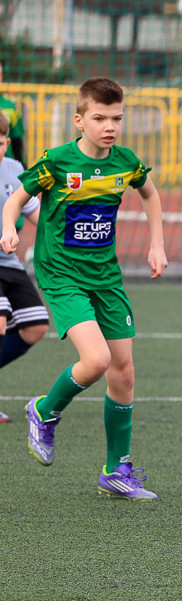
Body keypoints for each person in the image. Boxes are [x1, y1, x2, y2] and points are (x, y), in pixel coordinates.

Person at [0, 77, 168, 500]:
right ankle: (43, 410)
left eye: (117, 118)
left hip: (105, 277)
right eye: (99, 118)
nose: (109, 125)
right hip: (62, 275)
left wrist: (157, 243)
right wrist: (8, 229)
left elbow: (150, 194)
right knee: (96, 360)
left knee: (124, 371)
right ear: (80, 120)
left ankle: (116, 469)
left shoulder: (126, 162)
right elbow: (16, 199)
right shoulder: (56, 161)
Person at [0, 112, 49, 423]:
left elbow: (35, 214)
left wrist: (66, 225)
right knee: (0, 318)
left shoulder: (14, 168)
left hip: (8, 261)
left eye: (1, 141)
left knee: (35, 325)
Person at [0, 64, 27, 166]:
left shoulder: (10, 107)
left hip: (5, 166)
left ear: (1, 77)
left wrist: (23, 169)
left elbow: (17, 143)